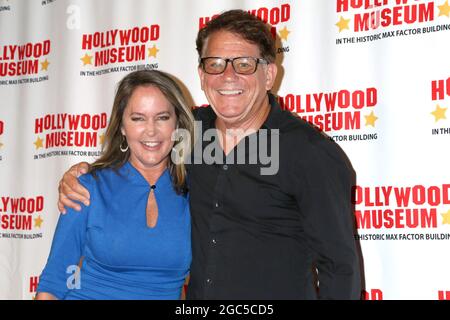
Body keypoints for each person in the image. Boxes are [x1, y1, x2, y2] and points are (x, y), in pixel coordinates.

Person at [57, 10, 362, 299]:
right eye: (215, 63)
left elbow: (340, 267)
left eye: (244, 64)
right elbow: (140, 147)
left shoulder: (308, 153)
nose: (228, 76)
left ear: (269, 75)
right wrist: (81, 173)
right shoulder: (187, 132)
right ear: (202, 75)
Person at [37, 70, 194, 299]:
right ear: (122, 126)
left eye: (162, 117)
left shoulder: (197, 191)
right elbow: (54, 281)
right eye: (138, 118)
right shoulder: (88, 187)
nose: (151, 130)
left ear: (178, 123)